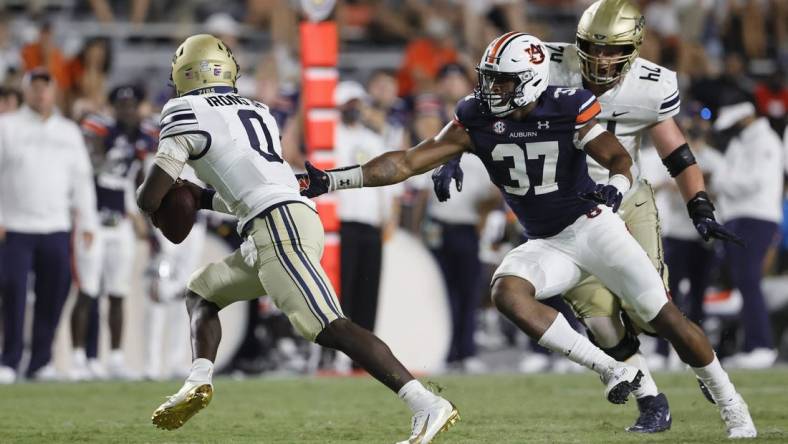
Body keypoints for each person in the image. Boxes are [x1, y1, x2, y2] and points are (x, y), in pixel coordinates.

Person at [299, 33, 757, 439]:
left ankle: (730, 400)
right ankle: (612, 370)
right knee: (507, 292)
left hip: (593, 225)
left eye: (501, 80)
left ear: (531, 80)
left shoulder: (567, 107)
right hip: (546, 239)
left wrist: (615, 192)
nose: (489, 89)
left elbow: (619, 158)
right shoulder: (476, 115)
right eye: (488, 78)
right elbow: (405, 162)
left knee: (664, 316)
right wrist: (336, 181)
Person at [432, 0, 743, 433]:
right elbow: (489, 98)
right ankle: (651, 400)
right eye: (591, 48)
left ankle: (708, 372)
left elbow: (678, 153)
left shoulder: (651, 84)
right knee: (600, 322)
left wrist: (700, 206)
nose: (598, 59)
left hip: (625, 194)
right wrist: (453, 149)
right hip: (566, 208)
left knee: (651, 312)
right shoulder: (547, 61)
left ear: (633, 48)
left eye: (610, 49)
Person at [135, 34, 459, 443]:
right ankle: (197, 381)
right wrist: (198, 198)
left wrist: (147, 197)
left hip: (277, 227)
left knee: (329, 326)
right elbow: (254, 185)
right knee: (202, 292)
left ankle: (425, 403)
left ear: (185, 74)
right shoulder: (258, 110)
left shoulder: (183, 109)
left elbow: (152, 195)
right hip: (277, 219)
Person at [0, 69, 98, 382]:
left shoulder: (68, 131)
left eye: (46, 88)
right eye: (35, 88)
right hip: (14, 226)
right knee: (12, 291)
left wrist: (88, 221)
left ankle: (40, 361)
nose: (41, 94)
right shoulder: (6, 127)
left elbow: (82, 179)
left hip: (56, 226)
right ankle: (10, 360)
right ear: (26, 92)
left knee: (54, 293)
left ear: (54, 92)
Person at [70, 84, 154, 381]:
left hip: (120, 222)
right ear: (113, 108)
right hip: (93, 220)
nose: (127, 111)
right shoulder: (100, 130)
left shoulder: (143, 137)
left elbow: (138, 179)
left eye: (132, 106)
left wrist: (140, 215)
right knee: (88, 290)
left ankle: (116, 358)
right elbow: (89, 161)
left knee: (118, 292)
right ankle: (79, 358)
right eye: (121, 106)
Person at [712, 101, 784, 369]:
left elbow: (755, 182)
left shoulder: (766, 140)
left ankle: (762, 346)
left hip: (757, 217)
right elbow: (725, 176)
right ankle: (752, 345)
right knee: (743, 282)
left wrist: (722, 184)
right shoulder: (739, 143)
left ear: (745, 118)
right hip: (736, 217)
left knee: (749, 281)